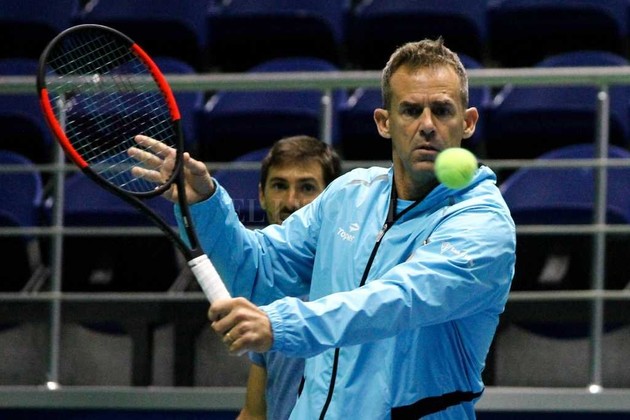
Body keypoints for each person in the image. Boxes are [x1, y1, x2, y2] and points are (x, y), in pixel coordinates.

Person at [132, 37, 516, 419]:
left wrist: (281, 324)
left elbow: (398, 300)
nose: (427, 125)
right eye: (411, 110)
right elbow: (260, 267)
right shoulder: (350, 194)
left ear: (468, 122)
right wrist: (205, 204)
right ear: (384, 122)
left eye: (442, 110)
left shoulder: (483, 224)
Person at [238, 135, 342, 420]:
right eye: (279, 186)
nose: (291, 202)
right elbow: (255, 413)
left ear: (333, 199)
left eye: (307, 187)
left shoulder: (355, 275)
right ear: (261, 195)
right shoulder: (266, 287)